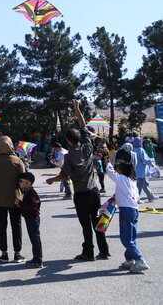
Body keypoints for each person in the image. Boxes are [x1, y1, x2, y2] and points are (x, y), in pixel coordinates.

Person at [46, 99, 110, 261]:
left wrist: (52, 180)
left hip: (81, 194)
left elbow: (64, 175)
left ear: (68, 141)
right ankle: (104, 250)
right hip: (94, 191)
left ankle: (88, 252)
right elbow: (83, 127)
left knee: (85, 225)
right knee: (97, 221)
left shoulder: (69, 157)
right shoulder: (87, 147)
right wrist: (77, 108)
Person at [0, 136, 25, 263]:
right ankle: (17, 253)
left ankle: (4, 253)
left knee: (1, 226)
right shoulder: (17, 161)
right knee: (16, 225)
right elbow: (24, 180)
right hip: (15, 199)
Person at [106, 160, 150, 274]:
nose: (116, 170)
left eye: (118, 168)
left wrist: (108, 164)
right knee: (132, 237)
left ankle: (140, 260)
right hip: (134, 210)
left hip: (126, 210)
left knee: (126, 238)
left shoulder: (121, 178)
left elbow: (110, 173)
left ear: (121, 170)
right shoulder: (131, 180)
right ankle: (130, 259)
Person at [16, 172, 43, 268]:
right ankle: (35, 258)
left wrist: (19, 203)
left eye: (20, 181)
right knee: (33, 238)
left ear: (28, 183)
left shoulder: (31, 192)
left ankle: (38, 260)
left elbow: (34, 205)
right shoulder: (26, 191)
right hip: (29, 217)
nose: (19, 183)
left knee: (35, 239)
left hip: (33, 218)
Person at [132, 137, 158, 203]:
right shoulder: (141, 150)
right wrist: (152, 163)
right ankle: (137, 199)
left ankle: (151, 197)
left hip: (136, 170)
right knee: (140, 186)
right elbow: (145, 159)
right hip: (142, 171)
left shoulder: (133, 149)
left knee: (145, 184)